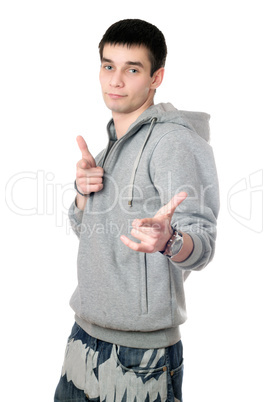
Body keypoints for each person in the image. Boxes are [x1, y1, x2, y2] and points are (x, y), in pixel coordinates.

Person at [54, 19, 219, 402]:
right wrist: (83, 194)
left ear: (156, 76)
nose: (116, 80)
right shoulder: (111, 145)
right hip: (84, 337)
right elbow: (90, 232)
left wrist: (170, 240)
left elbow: (204, 244)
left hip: (140, 356)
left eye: (132, 69)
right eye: (108, 66)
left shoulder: (173, 142)